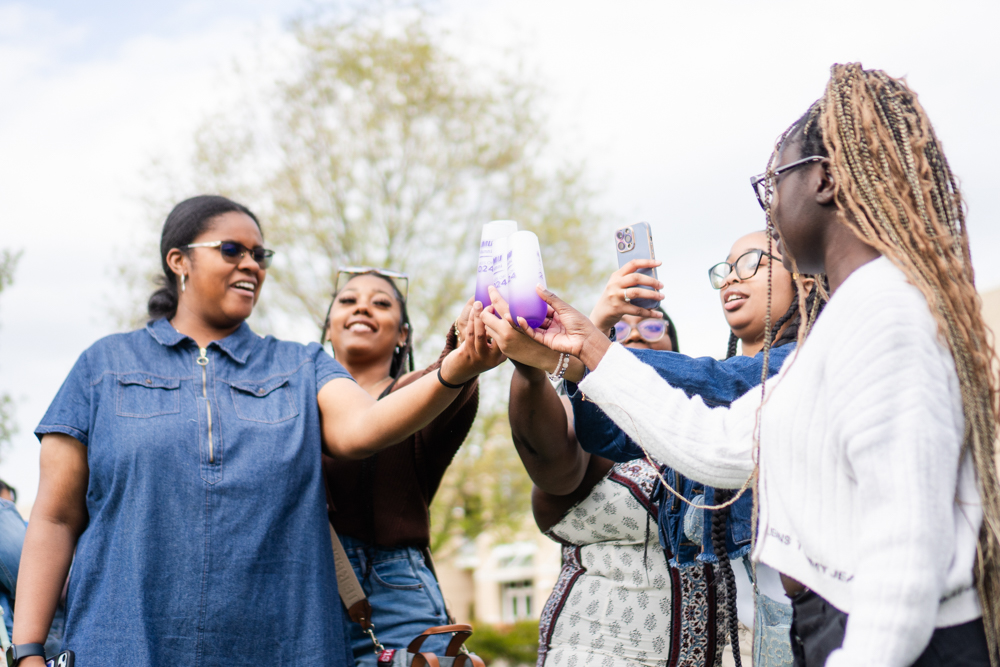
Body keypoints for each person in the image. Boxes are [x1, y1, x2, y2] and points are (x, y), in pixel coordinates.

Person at [512, 64, 998, 667]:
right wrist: (587, 344)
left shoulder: (886, 310)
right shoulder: (849, 321)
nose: (769, 206)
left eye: (774, 182)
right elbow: (716, 445)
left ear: (823, 180)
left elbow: (906, 547)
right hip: (841, 628)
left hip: (900, 641)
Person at [11, 195, 505, 666]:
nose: (252, 264)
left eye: (259, 254)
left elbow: (365, 428)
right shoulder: (103, 366)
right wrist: (28, 649)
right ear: (179, 260)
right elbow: (54, 518)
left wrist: (458, 366)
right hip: (124, 644)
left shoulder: (301, 365)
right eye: (232, 250)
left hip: (282, 647)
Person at [483, 235, 821, 667]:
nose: (733, 276)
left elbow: (726, 384)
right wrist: (571, 348)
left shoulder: (806, 364)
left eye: (753, 261)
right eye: (725, 267)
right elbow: (605, 435)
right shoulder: (683, 418)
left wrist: (589, 351)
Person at [320, 269, 481, 664]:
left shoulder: (416, 391)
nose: (362, 306)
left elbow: (450, 378)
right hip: (306, 585)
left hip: (394, 589)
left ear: (403, 334)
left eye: (381, 302)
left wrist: (461, 347)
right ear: (327, 329)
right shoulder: (293, 402)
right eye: (348, 299)